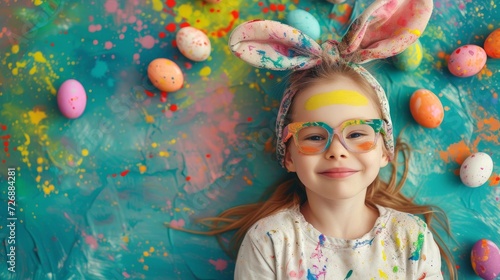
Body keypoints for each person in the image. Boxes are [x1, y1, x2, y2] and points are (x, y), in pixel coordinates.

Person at [170, 0, 457, 278]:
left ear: (384, 149)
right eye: (315, 136)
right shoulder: (269, 243)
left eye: (357, 133)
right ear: (289, 155)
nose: (336, 151)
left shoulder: (411, 239)